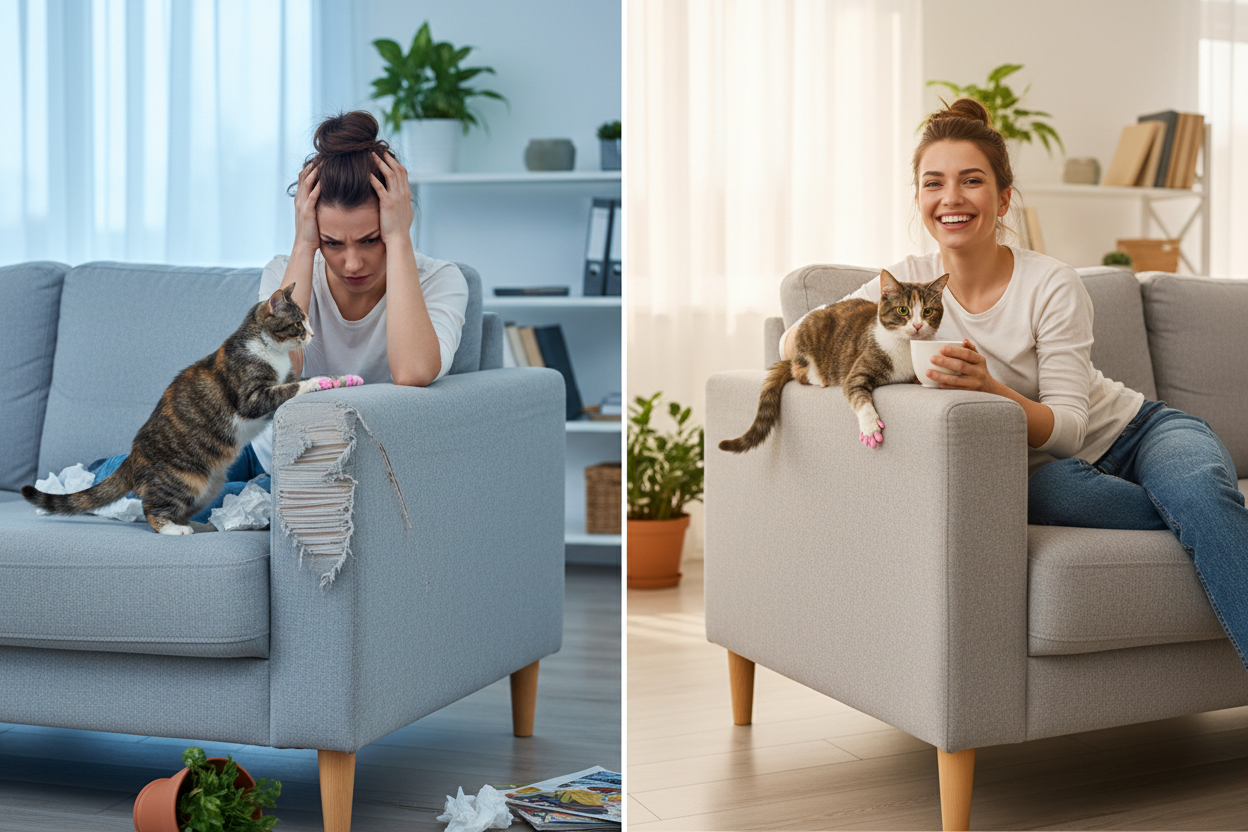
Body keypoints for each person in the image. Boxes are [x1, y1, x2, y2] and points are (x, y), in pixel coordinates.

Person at [779, 97, 1248, 672]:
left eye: (971, 181)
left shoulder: (1050, 282)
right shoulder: (905, 288)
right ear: (920, 199)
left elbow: (1072, 429)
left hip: (1137, 432)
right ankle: (1212, 514)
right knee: (1172, 507)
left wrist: (991, 388)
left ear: (1002, 199)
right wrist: (816, 351)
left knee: (1197, 492)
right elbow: (793, 337)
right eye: (934, 183)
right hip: (1038, 475)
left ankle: (1206, 506)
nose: (950, 198)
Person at [89, 110, 469, 526]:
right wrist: (304, 244)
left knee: (244, 501)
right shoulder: (286, 272)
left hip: (340, 469)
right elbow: (285, 371)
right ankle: (101, 475)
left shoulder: (441, 280)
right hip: (258, 447)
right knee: (135, 479)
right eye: (332, 242)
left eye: (371, 239)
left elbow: (413, 372)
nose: (352, 262)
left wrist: (398, 238)